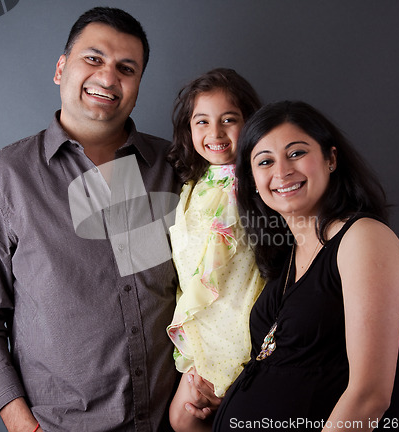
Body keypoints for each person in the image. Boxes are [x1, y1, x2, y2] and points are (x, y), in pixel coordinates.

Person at [0, 7, 181, 432]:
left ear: (137, 86)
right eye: (93, 59)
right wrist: (22, 424)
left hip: (174, 423)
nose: (108, 78)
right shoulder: (3, 179)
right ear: (61, 69)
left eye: (126, 68)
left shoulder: (176, 167)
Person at [213, 101, 399, 431]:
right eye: (265, 161)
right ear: (252, 180)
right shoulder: (289, 255)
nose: (282, 172)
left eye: (296, 153)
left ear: (331, 159)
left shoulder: (362, 238)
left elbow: (369, 396)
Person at [166, 68, 265, 432]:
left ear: (250, 122)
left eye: (229, 120)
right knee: (183, 419)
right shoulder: (193, 185)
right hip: (202, 336)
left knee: (197, 419)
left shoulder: (260, 182)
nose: (215, 133)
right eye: (202, 121)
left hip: (241, 330)